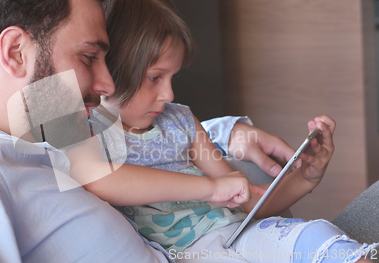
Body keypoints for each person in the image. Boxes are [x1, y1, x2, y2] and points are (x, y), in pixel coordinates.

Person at [0, 0, 313, 262]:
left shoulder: (40, 136)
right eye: (89, 58)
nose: (108, 84)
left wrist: (226, 133)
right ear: (15, 52)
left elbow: (132, 127)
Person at [63, 0, 378, 262]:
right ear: (113, 68)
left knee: (317, 236)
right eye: (155, 78)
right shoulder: (88, 131)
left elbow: (242, 196)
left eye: (172, 77)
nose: (169, 95)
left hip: (236, 234)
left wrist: (306, 178)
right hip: (185, 253)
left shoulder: (181, 121)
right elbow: (101, 179)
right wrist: (211, 188)